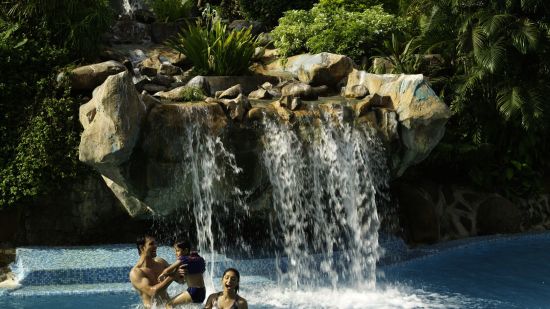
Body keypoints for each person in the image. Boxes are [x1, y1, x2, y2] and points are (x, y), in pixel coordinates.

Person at [129, 235, 175, 308]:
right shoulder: (136, 273)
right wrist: (172, 276)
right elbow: (152, 292)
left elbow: (181, 280)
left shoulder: (161, 262)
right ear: (142, 247)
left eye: (155, 243)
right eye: (151, 244)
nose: (155, 246)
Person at [159, 241, 206, 308]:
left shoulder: (184, 259)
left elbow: (167, 270)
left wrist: (163, 274)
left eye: (178, 250)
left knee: (169, 304)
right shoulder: (198, 259)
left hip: (194, 291)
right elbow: (182, 281)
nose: (176, 253)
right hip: (202, 292)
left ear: (186, 250)